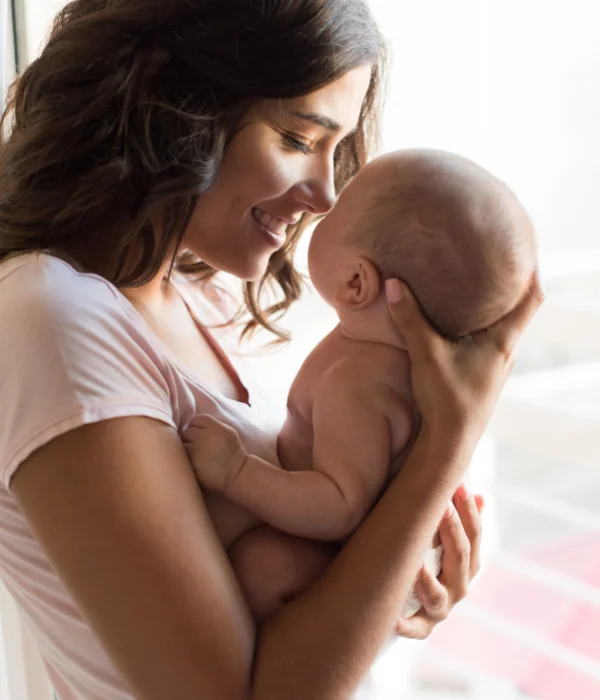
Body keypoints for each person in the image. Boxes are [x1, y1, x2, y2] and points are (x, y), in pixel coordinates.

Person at [0, 1, 543, 699]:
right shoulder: (53, 318)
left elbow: (306, 612)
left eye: (335, 148)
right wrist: (445, 447)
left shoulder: (200, 296)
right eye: (296, 138)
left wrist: (396, 582)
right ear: (174, 106)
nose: (324, 195)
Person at [183, 148, 538, 623]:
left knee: (263, 567)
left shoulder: (359, 383)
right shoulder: (384, 357)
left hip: (352, 562)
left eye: (341, 204)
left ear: (356, 282)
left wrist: (235, 471)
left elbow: (338, 507)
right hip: (378, 560)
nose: (324, 203)